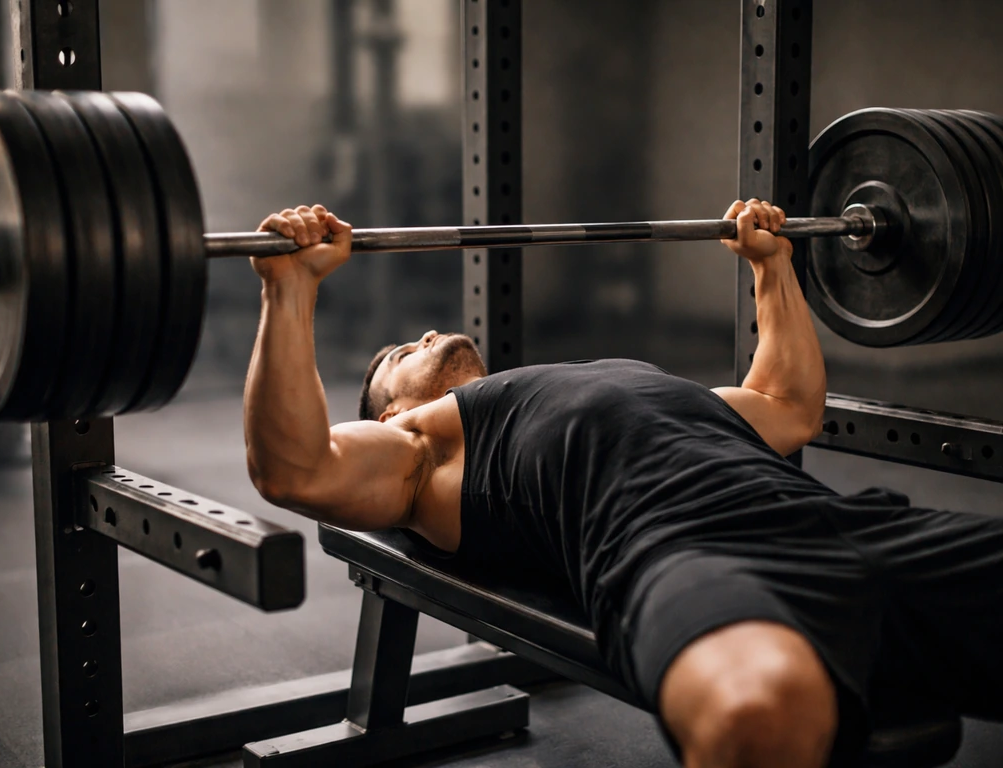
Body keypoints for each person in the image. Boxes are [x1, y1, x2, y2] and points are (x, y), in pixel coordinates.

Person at [244, 200, 1003, 768]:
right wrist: (291, 288)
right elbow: (296, 466)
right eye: (405, 351)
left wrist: (772, 267)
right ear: (394, 411)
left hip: (839, 522)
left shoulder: (612, 379)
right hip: (685, 556)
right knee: (758, 714)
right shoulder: (422, 449)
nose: (432, 334)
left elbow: (786, 404)